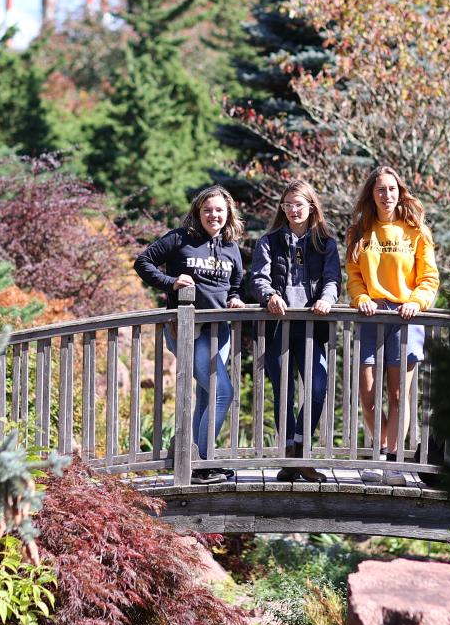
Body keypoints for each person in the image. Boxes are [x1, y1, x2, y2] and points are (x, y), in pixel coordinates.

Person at [134, 186, 247, 484]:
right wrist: (171, 281)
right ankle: (203, 464)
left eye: (220, 210)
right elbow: (142, 262)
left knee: (208, 394)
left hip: (220, 331)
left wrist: (235, 298)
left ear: (228, 213)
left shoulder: (230, 245)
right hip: (189, 330)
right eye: (208, 210)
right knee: (223, 391)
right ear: (198, 212)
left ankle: (195, 461)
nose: (214, 215)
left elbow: (236, 283)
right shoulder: (180, 238)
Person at [345, 166, 439, 487]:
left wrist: (417, 301)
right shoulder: (360, 231)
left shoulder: (416, 232)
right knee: (368, 396)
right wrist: (360, 299)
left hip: (405, 316)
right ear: (372, 194)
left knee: (399, 395)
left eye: (392, 189)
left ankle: (394, 461)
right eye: (381, 190)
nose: (387, 195)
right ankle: (381, 452)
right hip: (371, 316)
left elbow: (429, 277)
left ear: (400, 193)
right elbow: (354, 277)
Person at [249, 180, 341, 483]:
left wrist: (327, 300)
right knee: (283, 392)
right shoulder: (269, 241)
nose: (293, 210)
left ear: (311, 206)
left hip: (312, 326)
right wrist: (269, 296)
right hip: (279, 326)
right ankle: (291, 454)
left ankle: (300, 449)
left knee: (318, 387)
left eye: (298, 204)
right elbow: (258, 278)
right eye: (287, 204)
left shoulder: (325, 242)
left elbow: (332, 280)